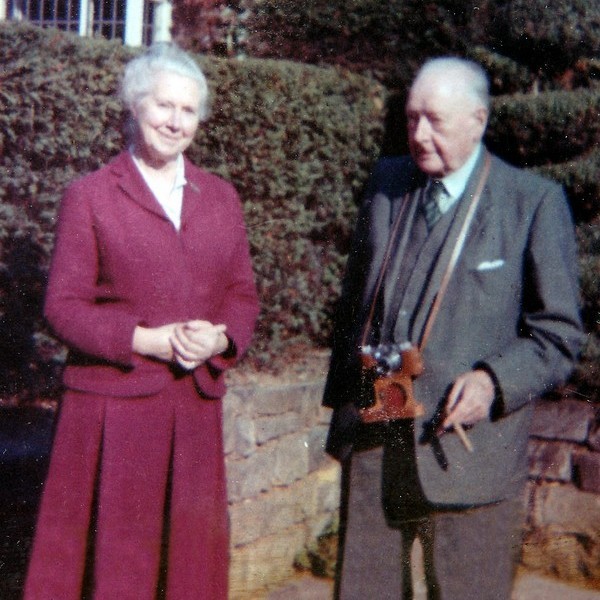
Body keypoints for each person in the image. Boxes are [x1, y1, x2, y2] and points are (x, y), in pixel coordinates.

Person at [323, 57, 584, 599]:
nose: (419, 135)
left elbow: (559, 335)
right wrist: (342, 419)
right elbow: (353, 303)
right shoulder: (387, 182)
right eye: (412, 118)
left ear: (479, 120)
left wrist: (493, 381)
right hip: (378, 434)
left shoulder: (531, 203)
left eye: (435, 121)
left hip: (467, 451)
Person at [24, 44, 259, 600]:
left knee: (188, 573)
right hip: (114, 410)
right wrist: (141, 339)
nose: (176, 122)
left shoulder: (221, 197)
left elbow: (242, 293)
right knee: (117, 572)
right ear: (135, 106)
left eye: (188, 111)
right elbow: (63, 305)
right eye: (163, 106)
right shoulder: (90, 196)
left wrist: (222, 335)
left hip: (192, 411)